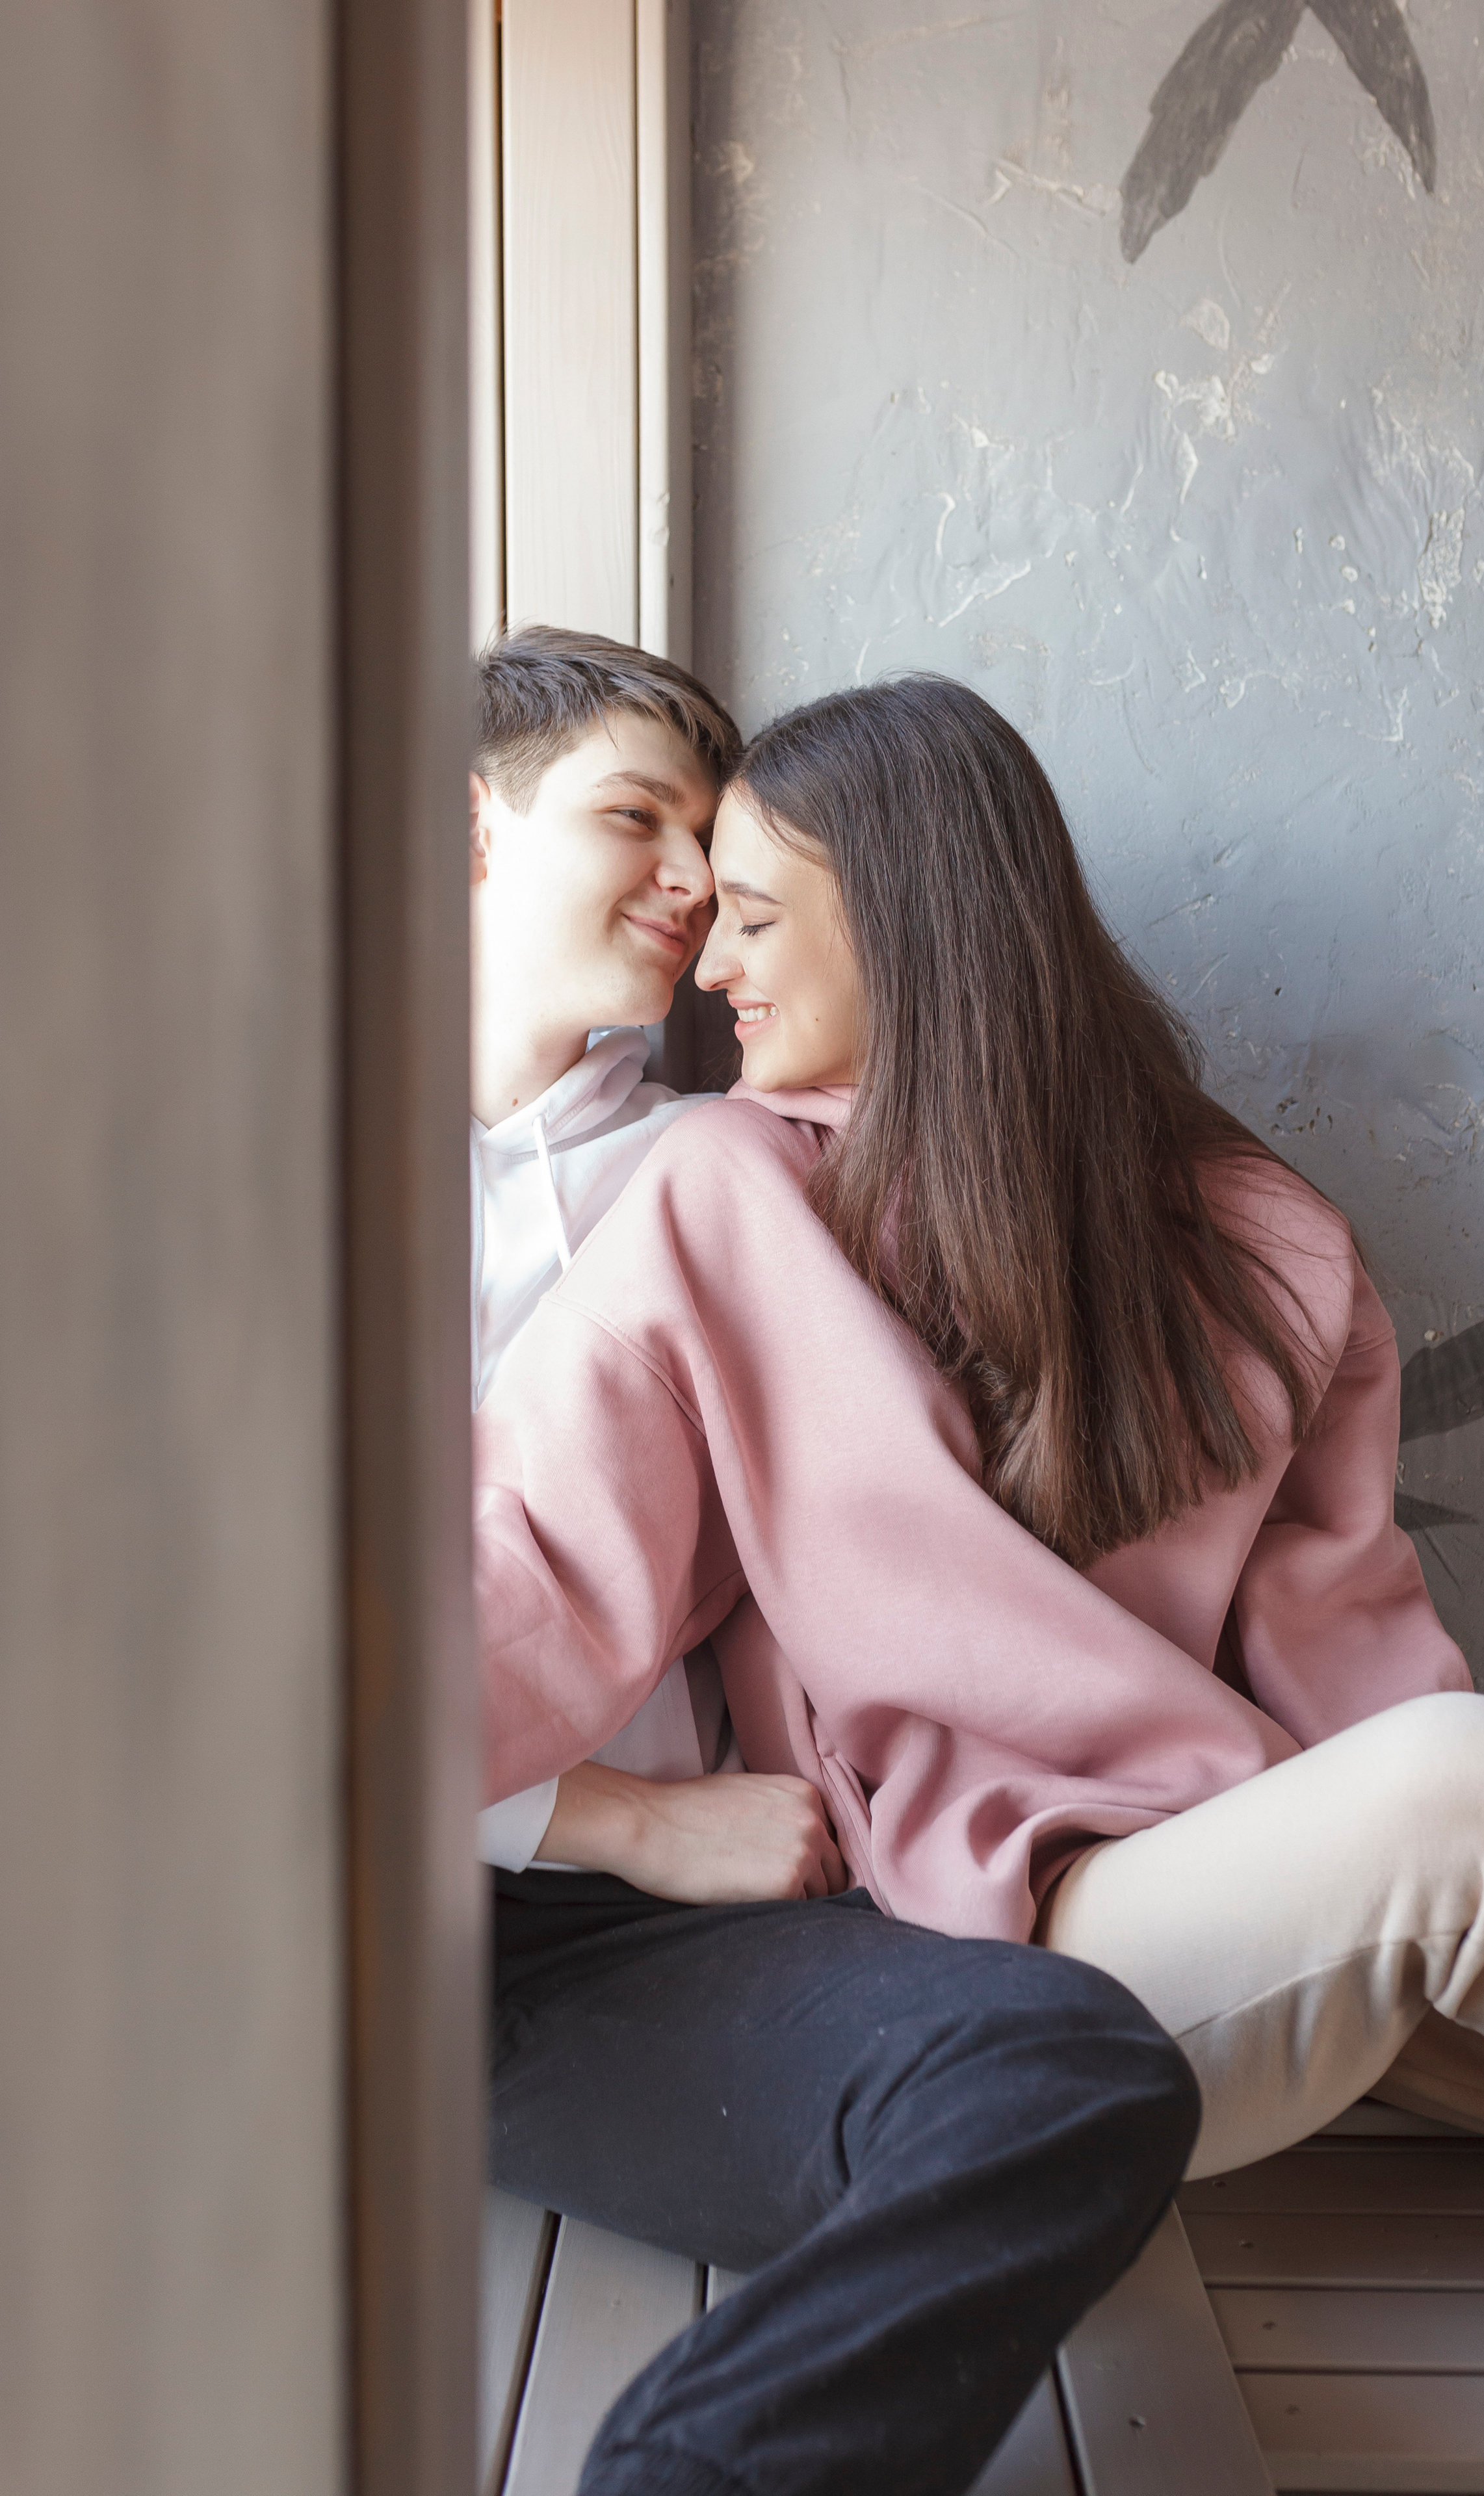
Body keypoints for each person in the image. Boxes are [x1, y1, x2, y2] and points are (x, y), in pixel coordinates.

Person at [476, 671, 1484, 2216]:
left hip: (1246, 1908)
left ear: (902, 924)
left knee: (1481, 1805)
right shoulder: (720, 1195)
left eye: (757, 917)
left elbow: (1349, 1639)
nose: (709, 966)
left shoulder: (1258, 1238)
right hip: (980, 1959)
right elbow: (542, 1567)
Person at [468, 627, 1203, 2496]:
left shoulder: (757, 1173)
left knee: (1072, 2073)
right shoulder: (230, 1173)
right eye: (636, 818)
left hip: (654, 1961)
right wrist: (610, 1821)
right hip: (343, 1918)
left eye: (717, 850)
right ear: (462, 828)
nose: (694, 884)